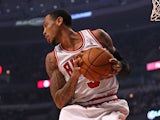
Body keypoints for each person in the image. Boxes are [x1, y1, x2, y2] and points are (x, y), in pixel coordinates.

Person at [43, 9, 130, 120]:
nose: (44, 32)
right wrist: (74, 76)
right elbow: (59, 102)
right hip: (78, 111)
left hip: (109, 104)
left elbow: (126, 68)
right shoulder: (53, 59)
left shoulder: (97, 37)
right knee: (65, 113)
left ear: (59, 21)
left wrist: (119, 66)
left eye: (46, 26)